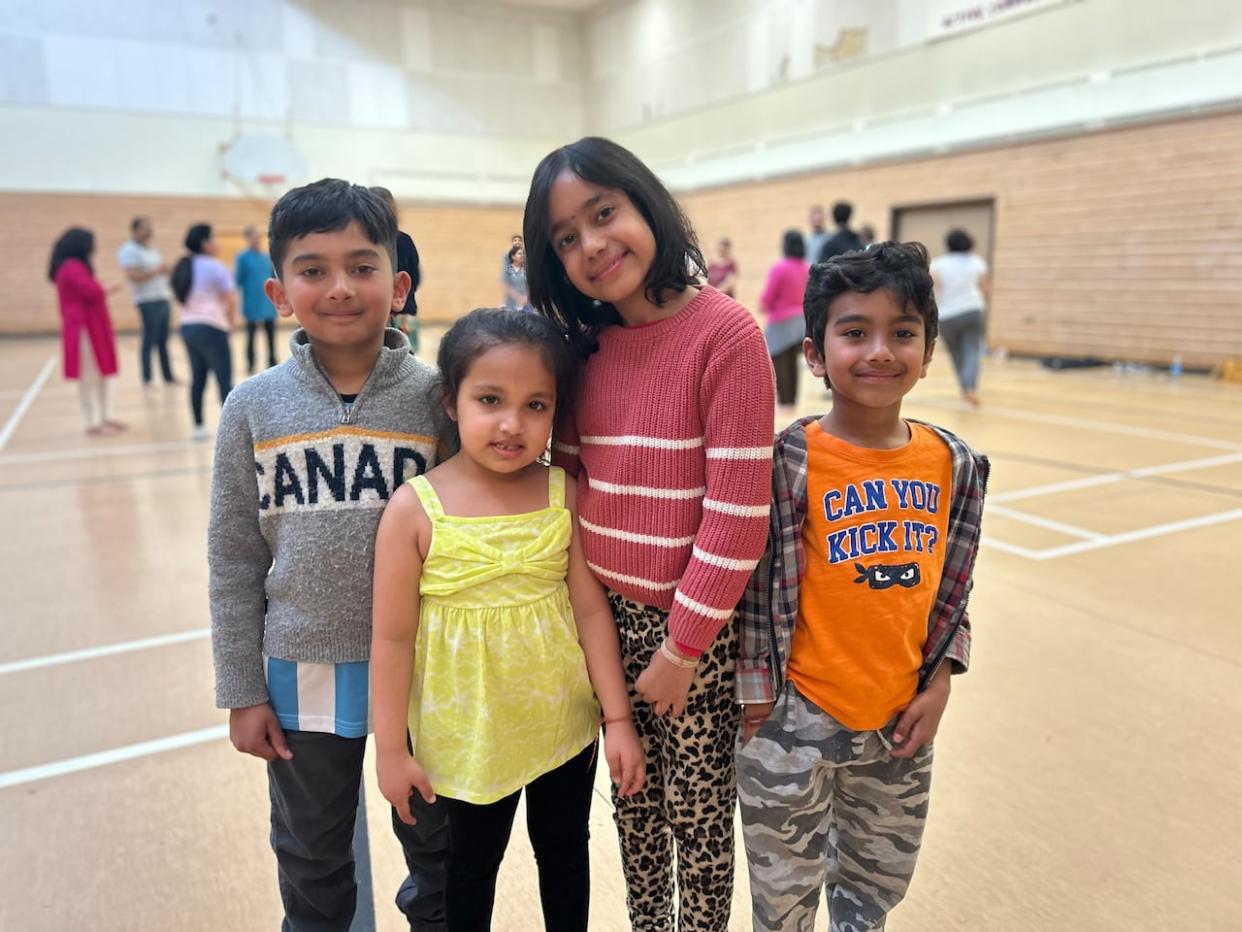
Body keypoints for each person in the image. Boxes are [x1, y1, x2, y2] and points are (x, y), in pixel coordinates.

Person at [524, 136, 775, 931]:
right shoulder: (583, 351)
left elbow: (737, 514)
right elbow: (567, 490)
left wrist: (681, 647)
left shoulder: (726, 335)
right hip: (602, 625)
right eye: (566, 238)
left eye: (604, 214)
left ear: (647, 206)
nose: (592, 245)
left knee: (697, 830)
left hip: (690, 636)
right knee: (633, 815)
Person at [208, 179, 455, 932]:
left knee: (439, 857)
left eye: (362, 265)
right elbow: (232, 558)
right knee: (313, 862)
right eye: (314, 270)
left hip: (425, 670)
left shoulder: (439, 399)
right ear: (280, 292)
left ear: (399, 283)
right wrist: (242, 688)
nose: (340, 287)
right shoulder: (251, 406)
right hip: (300, 669)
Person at [735, 242, 989, 932]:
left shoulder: (955, 464)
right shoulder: (786, 460)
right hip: (789, 725)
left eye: (902, 332)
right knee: (783, 904)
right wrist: (756, 703)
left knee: (872, 893)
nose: (880, 350)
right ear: (815, 354)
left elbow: (952, 588)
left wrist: (943, 678)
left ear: (929, 348)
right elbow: (751, 592)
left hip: (900, 724)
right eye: (855, 332)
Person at [372, 308, 645, 930]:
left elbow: (590, 613)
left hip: (562, 729)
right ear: (451, 400)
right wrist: (391, 750)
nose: (511, 424)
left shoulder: (561, 492)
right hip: (467, 739)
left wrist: (618, 718)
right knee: (468, 869)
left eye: (535, 406)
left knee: (564, 859)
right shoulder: (414, 510)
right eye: (490, 399)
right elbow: (390, 640)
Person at [49, 227, 125, 435]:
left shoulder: (72, 266)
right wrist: (106, 288)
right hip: (84, 327)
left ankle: (104, 417)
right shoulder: (71, 267)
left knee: (101, 373)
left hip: (93, 325)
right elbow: (90, 291)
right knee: (90, 376)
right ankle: (93, 421)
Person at [171, 223, 236, 441]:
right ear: (205, 243)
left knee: (198, 378)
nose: (216, 243)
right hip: (211, 326)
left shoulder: (185, 265)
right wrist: (231, 323)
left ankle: (198, 427)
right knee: (224, 378)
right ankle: (232, 431)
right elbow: (229, 299)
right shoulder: (215, 266)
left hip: (188, 326)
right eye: (213, 239)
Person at [930, 228, 989, 406]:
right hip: (972, 309)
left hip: (947, 314)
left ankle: (965, 389)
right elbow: (985, 289)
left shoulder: (938, 264)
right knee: (972, 350)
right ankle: (970, 388)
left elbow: (934, 290)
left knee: (956, 353)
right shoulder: (977, 262)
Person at [117, 216, 177, 387]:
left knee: (163, 339)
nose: (149, 231)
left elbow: (159, 269)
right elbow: (132, 275)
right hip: (146, 300)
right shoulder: (128, 250)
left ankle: (168, 376)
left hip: (162, 296)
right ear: (135, 230)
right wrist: (155, 272)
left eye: (149, 227)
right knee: (149, 338)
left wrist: (167, 270)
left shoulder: (152, 249)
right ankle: (147, 377)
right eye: (145, 228)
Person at [760, 229, 810, 422]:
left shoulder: (779, 268)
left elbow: (768, 297)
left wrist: (764, 305)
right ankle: (792, 402)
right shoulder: (807, 267)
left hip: (781, 320)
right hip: (800, 320)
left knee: (779, 362)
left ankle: (784, 403)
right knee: (793, 363)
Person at [370, 187, 422, 353]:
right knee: (407, 364)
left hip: (383, 314)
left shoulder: (366, 242)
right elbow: (416, 277)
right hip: (404, 311)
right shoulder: (404, 240)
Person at [234, 225, 278, 373]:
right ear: (247, 239)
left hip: (268, 302)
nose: (256, 240)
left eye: (257, 237)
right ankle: (251, 363)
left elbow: (274, 277)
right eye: (252, 237)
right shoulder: (242, 258)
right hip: (251, 301)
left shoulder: (266, 257)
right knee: (251, 335)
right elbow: (238, 280)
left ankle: (272, 362)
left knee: (271, 335)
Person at [500, 243, 532, 312]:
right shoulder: (508, 270)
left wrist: (526, 297)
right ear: (513, 256)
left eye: (523, 254)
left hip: (527, 303)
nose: (522, 256)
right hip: (512, 304)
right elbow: (506, 286)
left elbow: (532, 284)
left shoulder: (527, 269)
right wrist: (518, 298)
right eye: (519, 254)